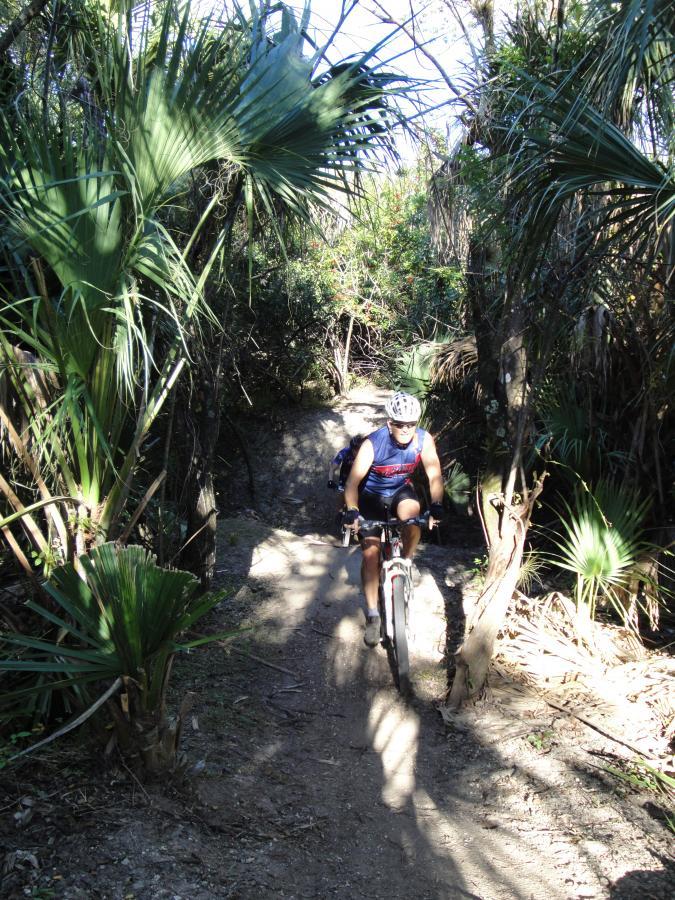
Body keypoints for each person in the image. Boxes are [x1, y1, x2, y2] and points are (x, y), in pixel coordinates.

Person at [342, 391, 444, 647]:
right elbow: (352, 484)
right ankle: (374, 615)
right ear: (390, 423)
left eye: (411, 424)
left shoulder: (423, 439)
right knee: (370, 555)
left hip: (400, 491)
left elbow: (434, 476)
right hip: (371, 496)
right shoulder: (373, 444)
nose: (406, 429)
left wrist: (437, 506)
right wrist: (353, 510)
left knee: (412, 519)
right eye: (400, 424)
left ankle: (407, 561)